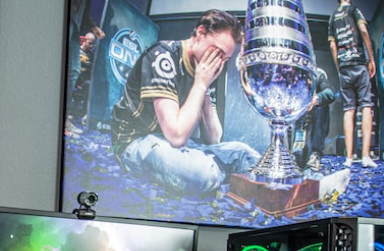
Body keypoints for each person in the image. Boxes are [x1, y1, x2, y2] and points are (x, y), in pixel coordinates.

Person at [110, 9, 260, 195]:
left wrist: (204, 88)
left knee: (245, 155)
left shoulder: (204, 69)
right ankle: (214, 174)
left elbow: (214, 139)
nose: (218, 62)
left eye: (225, 58)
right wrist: (200, 84)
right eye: (217, 52)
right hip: (136, 143)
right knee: (199, 175)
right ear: (200, 33)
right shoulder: (163, 55)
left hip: (175, 146)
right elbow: (176, 135)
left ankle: (211, 172)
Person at [328, 0, 377, 168]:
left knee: (348, 110)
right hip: (358, 63)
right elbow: (363, 31)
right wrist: (371, 59)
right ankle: (365, 157)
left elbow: (333, 46)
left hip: (344, 67)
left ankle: (348, 158)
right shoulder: (354, 9)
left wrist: (339, 67)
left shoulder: (332, 17)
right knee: (366, 106)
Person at [66, 0, 105, 136]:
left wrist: (93, 27)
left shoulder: (91, 55)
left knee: (73, 71)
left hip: (75, 25)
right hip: (67, 19)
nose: (91, 46)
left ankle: (64, 117)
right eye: (89, 43)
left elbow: (85, 11)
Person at [293, 67, 336, 171]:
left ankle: (315, 155)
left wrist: (316, 99)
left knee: (322, 107)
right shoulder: (294, 75)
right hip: (299, 114)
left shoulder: (319, 74)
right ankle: (295, 153)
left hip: (316, 115)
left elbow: (330, 93)